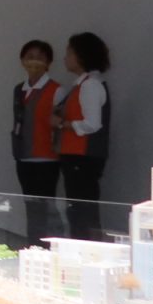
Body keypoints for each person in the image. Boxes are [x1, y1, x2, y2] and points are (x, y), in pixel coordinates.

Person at [55, 31, 112, 240]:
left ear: (82, 56)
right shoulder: (83, 84)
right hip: (78, 155)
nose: (65, 57)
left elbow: (92, 124)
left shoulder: (90, 85)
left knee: (82, 209)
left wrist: (62, 123)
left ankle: (86, 245)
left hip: (83, 155)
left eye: (69, 52)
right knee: (79, 208)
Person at [10, 39, 61, 237]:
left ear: (48, 62)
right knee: (30, 206)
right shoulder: (19, 90)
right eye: (29, 57)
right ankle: (33, 244)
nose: (34, 61)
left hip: (47, 157)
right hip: (23, 155)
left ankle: (46, 244)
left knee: (46, 207)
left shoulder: (57, 90)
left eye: (40, 57)